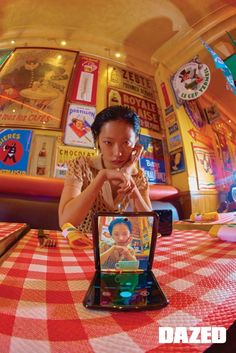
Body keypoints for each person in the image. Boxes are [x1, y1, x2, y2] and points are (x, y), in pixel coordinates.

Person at [59, 105, 152, 232]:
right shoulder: (80, 166)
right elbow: (65, 222)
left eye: (126, 143)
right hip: (80, 242)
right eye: (108, 142)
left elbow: (149, 226)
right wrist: (102, 176)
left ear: (136, 143)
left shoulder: (139, 177)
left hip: (117, 243)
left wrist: (128, 173)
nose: (117, 153)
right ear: (97, 140)